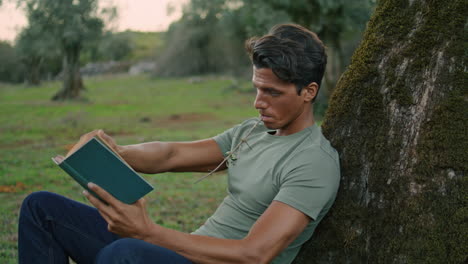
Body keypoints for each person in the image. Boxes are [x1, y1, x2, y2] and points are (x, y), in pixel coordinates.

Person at [18, 23, 340, 264]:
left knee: (124, 254)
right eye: (257, 88)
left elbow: (254, 253)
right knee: (40, 208)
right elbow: (171, 155)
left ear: (309, 92)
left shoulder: (313, 162)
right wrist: (117, 153)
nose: (258, 102)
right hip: (187, 251)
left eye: (272, 93)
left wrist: (148, 233)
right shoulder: (253, 132)